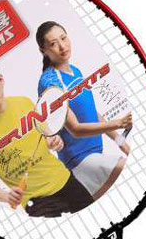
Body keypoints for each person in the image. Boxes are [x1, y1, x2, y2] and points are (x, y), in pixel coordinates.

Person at [0, 60, 95, 218]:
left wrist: (53, 140)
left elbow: (47, 134)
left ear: (1, 79)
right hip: (37, 201)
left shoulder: (24, 102)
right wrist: (6, 196)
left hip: (65, 180)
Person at [36, 21, 131, 200]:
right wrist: (118, 123)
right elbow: (75, 129)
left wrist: (120, 141)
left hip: (96, 154)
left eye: (63, 38)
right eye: (53, 43)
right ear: (43, 51)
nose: (62, 46)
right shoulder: (50, 82)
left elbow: (92, 112)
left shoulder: (75, 71)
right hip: (79, 161)